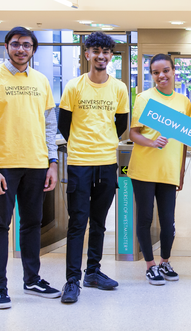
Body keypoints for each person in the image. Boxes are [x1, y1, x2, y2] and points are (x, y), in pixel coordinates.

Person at [0, 27, 61, 309]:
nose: (21, 49)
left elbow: (49, 126)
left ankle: (32, 279)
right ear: (7, 47)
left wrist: (53, 162)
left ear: (33, 48)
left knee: (32, 224)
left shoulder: (41, 81)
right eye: (15, 44)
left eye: (26, 45)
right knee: (0, 225)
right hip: (5, 167)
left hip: (36, 164)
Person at [57, 32, 129, 304]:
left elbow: (120, 125)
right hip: (79, 163)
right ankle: (72, 280)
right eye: (96, 51)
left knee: (99, 222)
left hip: (107, 163)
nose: (101, 56)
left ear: (111, 56)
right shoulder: (74, 86)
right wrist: (82, 144)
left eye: (106, 52)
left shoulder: (119, 88)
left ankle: (93, 272)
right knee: (78, 222)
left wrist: (104, 143)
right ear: (87, 54)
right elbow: (65, 125)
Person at [128, 54, 191, 285]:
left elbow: (185, 140)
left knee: (168, 220)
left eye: (165, 71)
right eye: (155, 73)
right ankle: (150, 265)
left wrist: (181, 172)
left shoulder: (183, 101)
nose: (161, 76)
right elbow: (133, 133)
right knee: (145, 218)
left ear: (174, 71)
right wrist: (151, 142)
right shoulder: (144, 98)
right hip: (144, 169)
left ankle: (165, 261)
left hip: (168, 170)